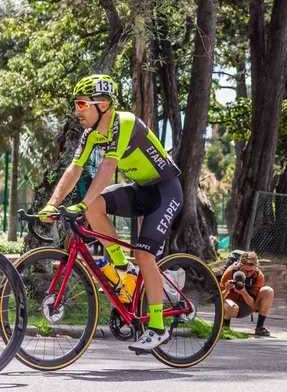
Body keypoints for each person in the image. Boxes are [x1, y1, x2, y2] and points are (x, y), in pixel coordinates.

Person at [38, 74, 182, 352]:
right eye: (76, 104)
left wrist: (80, 203)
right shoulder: (91, 134)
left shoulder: (124, 122)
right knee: (94, 206)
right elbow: (74, 169)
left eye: (82, 104)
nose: (77, 110)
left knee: (144, 254)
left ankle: (156, 326)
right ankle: (121, 268)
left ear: (102, 104)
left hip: (166, 190)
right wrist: (52, 204)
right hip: (141, 188)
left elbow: (108, 167)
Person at [220, 251, 274, 336]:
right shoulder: (230, 271)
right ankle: (224, 325)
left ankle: (260, 327)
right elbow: (218, 299)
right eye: (245, 271)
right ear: (240, 266)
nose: (248, 274)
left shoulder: (258, 275)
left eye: (251, 271)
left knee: (268, 291)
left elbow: (251, 303)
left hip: (249, 305)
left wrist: (244, 293)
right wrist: (227, 289)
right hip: (230, 305)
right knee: (231, 308)